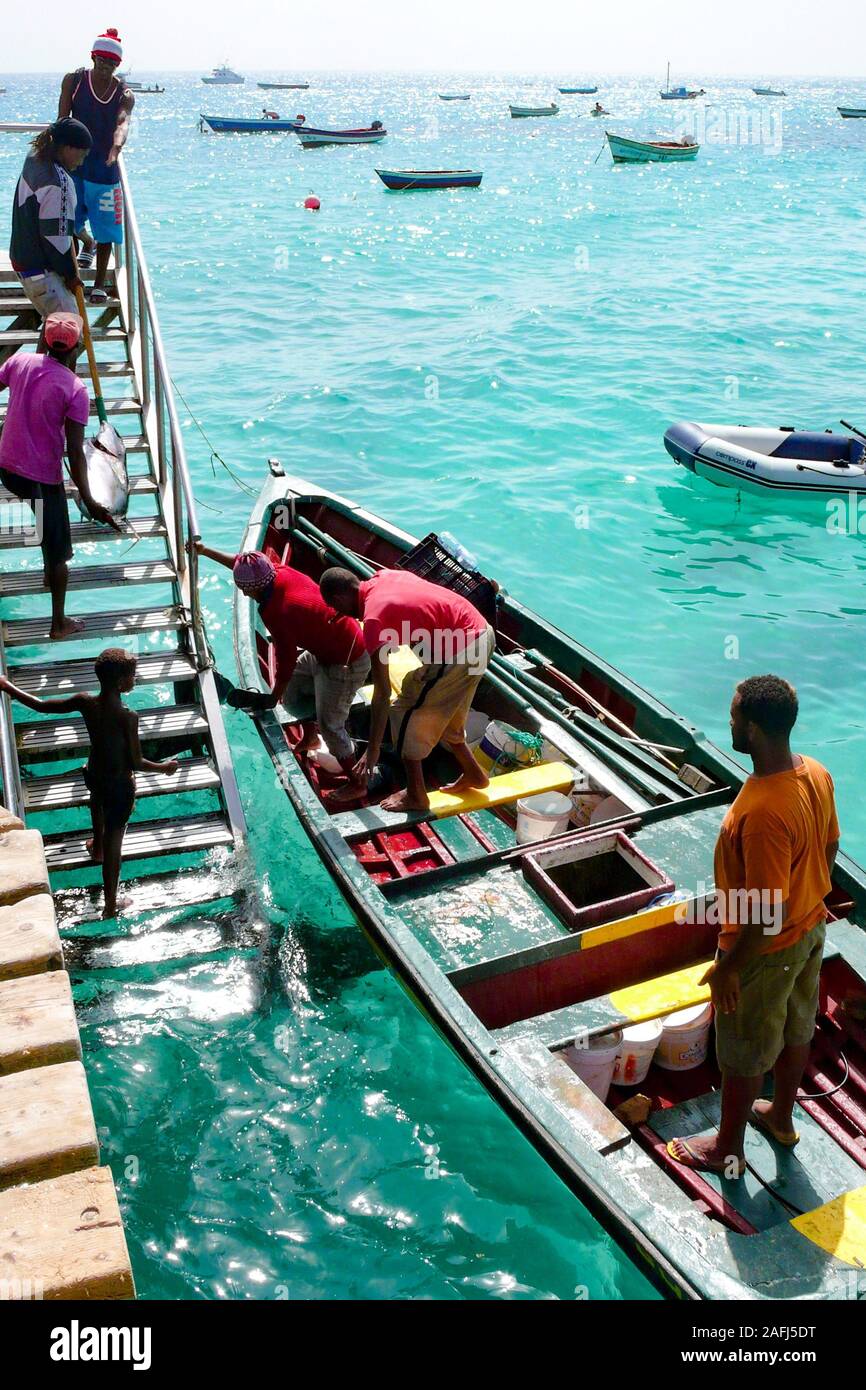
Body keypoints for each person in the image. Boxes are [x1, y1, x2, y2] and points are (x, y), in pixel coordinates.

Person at [668, 675, 840, 1178]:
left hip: (766, 952)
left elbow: (764, 912)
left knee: (742, 1051)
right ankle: (781, 1117)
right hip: (811, 931)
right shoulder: (816, 773)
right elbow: (829, 847)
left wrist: (728, 969)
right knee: (796, 1026)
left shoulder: (764, 811)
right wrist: (810, 895)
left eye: (735, 714)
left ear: (756, 729)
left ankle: (726, 1148)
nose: (729, 721)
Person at [0, 649, 177, 919]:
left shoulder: (85, 702)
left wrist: (6, 685)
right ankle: (110, 905)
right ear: (120, 682)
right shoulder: (128, 717)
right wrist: (164, 768)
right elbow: (137, 762)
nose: (135, 679)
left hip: (95, 775)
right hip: (119, 786)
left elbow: (41, 705)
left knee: (97, 801)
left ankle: (96, 849)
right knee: (115, 839)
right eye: (132, 675)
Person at [192, 542, 371, 788]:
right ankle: (310, 737)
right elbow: (240, 562)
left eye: (246, 590)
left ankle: (357, 783)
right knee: (294, 693)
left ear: (256, 587)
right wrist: (205, 550)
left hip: (347, 662)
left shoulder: (278, 610)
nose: (245, 595)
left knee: (331, 726)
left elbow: (285, 659)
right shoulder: (277, 572)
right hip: (325, 651)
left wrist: (273, 697)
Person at [319, 567, 495, 813]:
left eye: (338, 609)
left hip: (460, 650)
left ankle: (416, 795)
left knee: (402, 713)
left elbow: (382, 693)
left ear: (338, 599)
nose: (341, 615)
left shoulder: (373, 620)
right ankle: (474, 774)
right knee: (448, 716)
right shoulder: (383, 576)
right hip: (481, 633)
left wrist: (372, 750)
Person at [0, 311, 120, 639]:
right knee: (60, 551)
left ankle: (47, 570)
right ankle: (58, 623)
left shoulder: (20, 362)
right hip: (40, 476)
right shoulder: (75, 389)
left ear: (44, 340)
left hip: (7, 468)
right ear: (76, 347)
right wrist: (91, 500)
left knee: (43, 517)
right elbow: (74, 452)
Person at [59, 29, 134, 304]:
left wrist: (116, 147)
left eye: (111, 63)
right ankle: (75, 271)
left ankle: (100, 282)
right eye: (101, 61)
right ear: (93, 58)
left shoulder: (123, 93)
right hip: (74, 167)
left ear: (118, 65)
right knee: (68, 224)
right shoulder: (74, 81)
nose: (105, 67)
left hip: (104, 169)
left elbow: (123, 122)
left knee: (106, 230)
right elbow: (62, 119)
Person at [9, 118, 92, 329]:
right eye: (81, 155)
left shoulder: (35, 157)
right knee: (72, 334)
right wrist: (72, 277)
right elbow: (58, 242)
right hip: (41, 270)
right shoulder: (59, 183)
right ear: (66, 147)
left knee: (54, 330)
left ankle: (41, 363)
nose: (81, 162)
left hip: (23, 262)